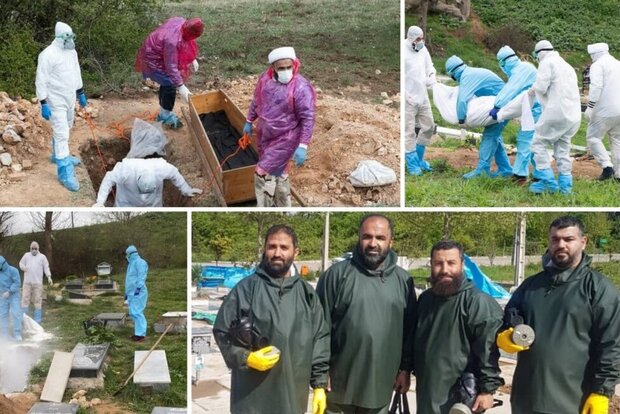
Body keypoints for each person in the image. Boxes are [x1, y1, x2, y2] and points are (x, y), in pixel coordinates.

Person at [497, 216, 620, 413]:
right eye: (555, 239)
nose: (560, 245)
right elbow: (511, 316)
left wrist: (602, 392)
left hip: (572, 401)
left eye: (568, 239)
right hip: (525, 401)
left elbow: (612, 345)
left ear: (583, 242)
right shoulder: (531, 286)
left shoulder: (598, 289)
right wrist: (507, 334)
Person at [214, 225, 329, 414]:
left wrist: (319, 386)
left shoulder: (307, 295)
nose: (277, 253)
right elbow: (221, 331)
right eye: (272, 247)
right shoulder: (246, 289)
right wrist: (246, 357)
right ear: (264, 249)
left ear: (295, 252)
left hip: (292, 397)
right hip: (251, 399)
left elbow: (320, 340)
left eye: (284, 248)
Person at [316, 214, 417, 414]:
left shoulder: (403, 281)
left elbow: (410, 330)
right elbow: (319, 327)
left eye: (380, 238)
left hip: (380, 386)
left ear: (390, 241)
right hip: (338, 387)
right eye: (367, 237)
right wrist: (320, 374)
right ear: (359, 238)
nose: (373, 243)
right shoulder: (336, 275)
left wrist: (405, 369)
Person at [413, 240, 504, 414]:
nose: (445, 270)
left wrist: (487, 390)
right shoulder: (425, 300)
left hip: (461, 395)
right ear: (431, 265)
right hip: (427, 392)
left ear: (462, 265)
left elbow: (489, 350)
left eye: (451, 263)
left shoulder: (478, 302)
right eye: (438, 263)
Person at [243, 47, 316, 207]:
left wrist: (303, 144)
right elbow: (257, 100)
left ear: (295, 65)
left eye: (288, 67)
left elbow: (308, 117)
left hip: (287, 137)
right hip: (266, 135)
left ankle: (264, 210)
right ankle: (285, 207)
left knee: (262, 173)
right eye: (281, 68)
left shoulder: (301, 88)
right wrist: (249, 120)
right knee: (280, 173)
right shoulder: (265, 80)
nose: (285, 71)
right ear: (273, 68)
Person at [94, 119, 202, 207]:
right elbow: (109, 179)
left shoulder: (159, 166)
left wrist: (186, 190)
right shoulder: (126, 168)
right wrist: (100, 202)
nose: (143, 196)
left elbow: (174, 174)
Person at [36, 21, 87, 192]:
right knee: (61, 132)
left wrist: (80, 92)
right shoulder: (47, 54)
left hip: (69, 97)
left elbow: (76, 71)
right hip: (55, 100)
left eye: (72, 36)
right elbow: (41, 80)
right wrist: (43, 102)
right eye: (68, 36)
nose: (71, 39)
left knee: (68, 126)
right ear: (59, 37)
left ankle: (57, 155)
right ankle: (65, 172)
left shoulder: (72, 52)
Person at [445, 55, 513, 179]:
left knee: (489, 137)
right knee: (495, 138)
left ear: (453, 73)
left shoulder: (466, 76)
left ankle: (482, 171)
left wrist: (461, 120)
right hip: (503, 104)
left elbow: (462, 100)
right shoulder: (471, 72)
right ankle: (506, 169)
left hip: (501, 106)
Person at [527, 40, 581, 194]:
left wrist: (531, 92)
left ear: (539, 53)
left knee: (538, 143)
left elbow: (541, 87)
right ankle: (565, 187)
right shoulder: (567, 65)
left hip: (556, 113)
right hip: (573, 116)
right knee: (563, 149)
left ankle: (547, 181)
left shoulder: (546, 63)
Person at [135, 17, 204, 128]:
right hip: (153, 57)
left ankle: (164, 110)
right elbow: (171, 67)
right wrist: (181, 87)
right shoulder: (171, 42)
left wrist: (192, 58)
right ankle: (165, 116)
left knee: (168, 83)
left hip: (161, 51)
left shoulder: (181, 22)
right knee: (170, 84)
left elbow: (185, 42)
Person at [491, 46, 542, 185]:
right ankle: (540, 174)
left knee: (525, 141)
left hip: (535, 111)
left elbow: (510, 89)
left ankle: (521, 176)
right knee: (533, 143)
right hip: (534, 110)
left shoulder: (522, 70)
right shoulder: (524, 68)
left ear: (504, 62)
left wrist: (497, 106)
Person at [584, 42, 620, 182]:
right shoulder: (618, 63)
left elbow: (596, 86)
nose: (592, 57)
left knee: (593, 137)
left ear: (596, 53)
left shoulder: (598, 65)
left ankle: (607, 168)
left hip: (605, 109)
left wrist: (590, 107)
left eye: (592, 55)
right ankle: (619, 174)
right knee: (617, 140)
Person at [404, 25, 436, 176]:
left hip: (422, 97)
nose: (421, 41)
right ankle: (411, 163)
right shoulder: (403, 52)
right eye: (418, 39)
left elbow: (430, 67)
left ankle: (419, 158)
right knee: (408, 132)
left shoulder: (423, 50)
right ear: (411, 38)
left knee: (429, 126)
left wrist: (431, 76)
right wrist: (405, 94)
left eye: (422, 38)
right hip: (408, 99)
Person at [19, 241, 52, 324]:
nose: (34, 250)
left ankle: (37, 319)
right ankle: (24, 318)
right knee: (25, 299)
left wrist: (49, 276)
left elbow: (46, 267)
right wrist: (23, 267)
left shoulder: (42, 257)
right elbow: (21, 263)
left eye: (35, 248)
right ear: (30, 248)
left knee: (37, 300)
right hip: (27, 282)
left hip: (37, 283)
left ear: (38, 248)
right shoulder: (26, 255)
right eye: (32, 248)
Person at [125, 245, 148, 342]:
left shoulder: (140, 262)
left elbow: (141, 276)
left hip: (138, 292)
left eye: (127, 254)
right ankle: (137, 333)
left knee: (137, 313)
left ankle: (141, 335)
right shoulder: (131, 264)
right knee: (133, 313)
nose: (126, 256)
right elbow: (129, 280)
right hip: (131, 293)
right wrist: (126, 293)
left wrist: (138, 288)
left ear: (131, 254)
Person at [0, 256, 22, 342]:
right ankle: (5, 335)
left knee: (16, 313)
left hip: (13, 296)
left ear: (3, 264)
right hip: (3, 296)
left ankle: (17, 334)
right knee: (3, 315)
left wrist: (9, 292)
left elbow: (17, 283)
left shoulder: (13, 270)